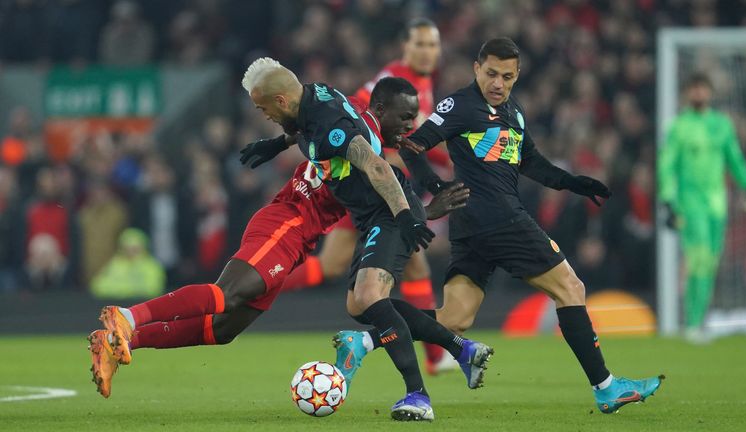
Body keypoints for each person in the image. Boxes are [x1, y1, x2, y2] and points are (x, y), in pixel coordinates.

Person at [87, 78, 472, 411]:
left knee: (224, 328)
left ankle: (122, 341)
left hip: (300, 237)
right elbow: (379, 173)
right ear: (381, 109)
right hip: (286, 221)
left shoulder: (345, 114)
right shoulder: (360, 139)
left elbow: (312, 126)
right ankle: (129, 317)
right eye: (405, 117)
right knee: (228, 293)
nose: (410, 126)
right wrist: (420, 213)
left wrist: (278, 143)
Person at [341, 38, 663, 415]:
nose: (498, 83)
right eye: (491, 73)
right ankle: (606, 388)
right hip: (500, 218)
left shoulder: (513, 111)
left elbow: (532, 163)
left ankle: (362, 342)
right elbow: (412, 145)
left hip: (473, 225)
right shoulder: (460, 104)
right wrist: (436, 188)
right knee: (571, 287)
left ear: (517, 76)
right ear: (477, 68)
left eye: (506, 77)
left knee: (454, 319)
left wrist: (571, 182)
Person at [241, 60, 493, 421]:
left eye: (262, 107)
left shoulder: (329, 123)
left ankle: (418, 396)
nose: (262, 113)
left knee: (371, 297)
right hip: (370, 217)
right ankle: (462, 349)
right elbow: (309, 129)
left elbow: (375, 165)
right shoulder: (315, 97)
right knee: (360, 307)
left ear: (281, 100)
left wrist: (406, 216)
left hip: (389, 212)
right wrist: (278, 143)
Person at [281, 18, 453, 374]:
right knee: (407, 261)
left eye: (433, 45)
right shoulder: (392, 79)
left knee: (342, 265)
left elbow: (409, 141)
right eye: (420, 44)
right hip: (370, 186)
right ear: (405, 47)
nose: (427, 51)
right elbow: (360, 117)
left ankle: (437, 355)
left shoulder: (422, 82)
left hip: (377, 187)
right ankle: (438, 355)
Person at [658, 72, 746, 342]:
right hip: (691, 204)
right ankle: (691, 324)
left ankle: (697, 323)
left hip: (717, 205)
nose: (699, 93)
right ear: (688, 94)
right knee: (698, 259)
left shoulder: (721, 125)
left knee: (710, 263)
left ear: (710, 93)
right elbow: (668, 166)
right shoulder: (679, 127)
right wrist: (668, 200)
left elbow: (734, 158)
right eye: (694, 89)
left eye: (703, 88)